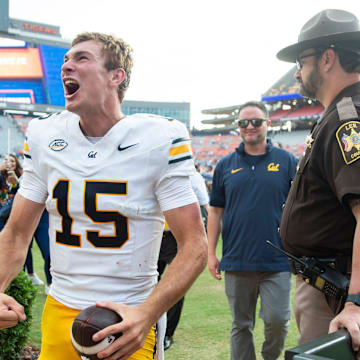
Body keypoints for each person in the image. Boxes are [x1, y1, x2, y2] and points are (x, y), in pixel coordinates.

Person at [0, 32, 207, 360]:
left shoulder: (159, 139)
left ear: (116, 76)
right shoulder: (44, 136)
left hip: (129, 314)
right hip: (60, 306)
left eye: (81, 58)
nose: (67, 65)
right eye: (66, 59)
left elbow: (195, 246)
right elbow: (16, 232)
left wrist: (147, 313)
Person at [277, 8, 360, 353]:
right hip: (328, 284)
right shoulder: (342, 113)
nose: (297, 72)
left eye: (302, 60)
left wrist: (355, 300)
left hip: (335, 292)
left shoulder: (348, 119)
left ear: (328, 58)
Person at [207, 100, 297, 360]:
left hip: (277, 259)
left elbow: (299, 209)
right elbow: (215, 211)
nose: (250, 127)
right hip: (237, 260)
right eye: (243, 123)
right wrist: (211, 252)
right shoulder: (225, 165)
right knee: (241, 325)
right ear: (237, 127)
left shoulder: (287, 161)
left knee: (278, 321)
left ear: (268, 124)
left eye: (256, 121)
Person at [158, 163, 209, 351]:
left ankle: (167, 333)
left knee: (175, 286)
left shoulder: (190, 174)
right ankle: (151, 327)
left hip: (175, 236)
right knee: (146, 286)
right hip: (152, 236)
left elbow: (205, 203)